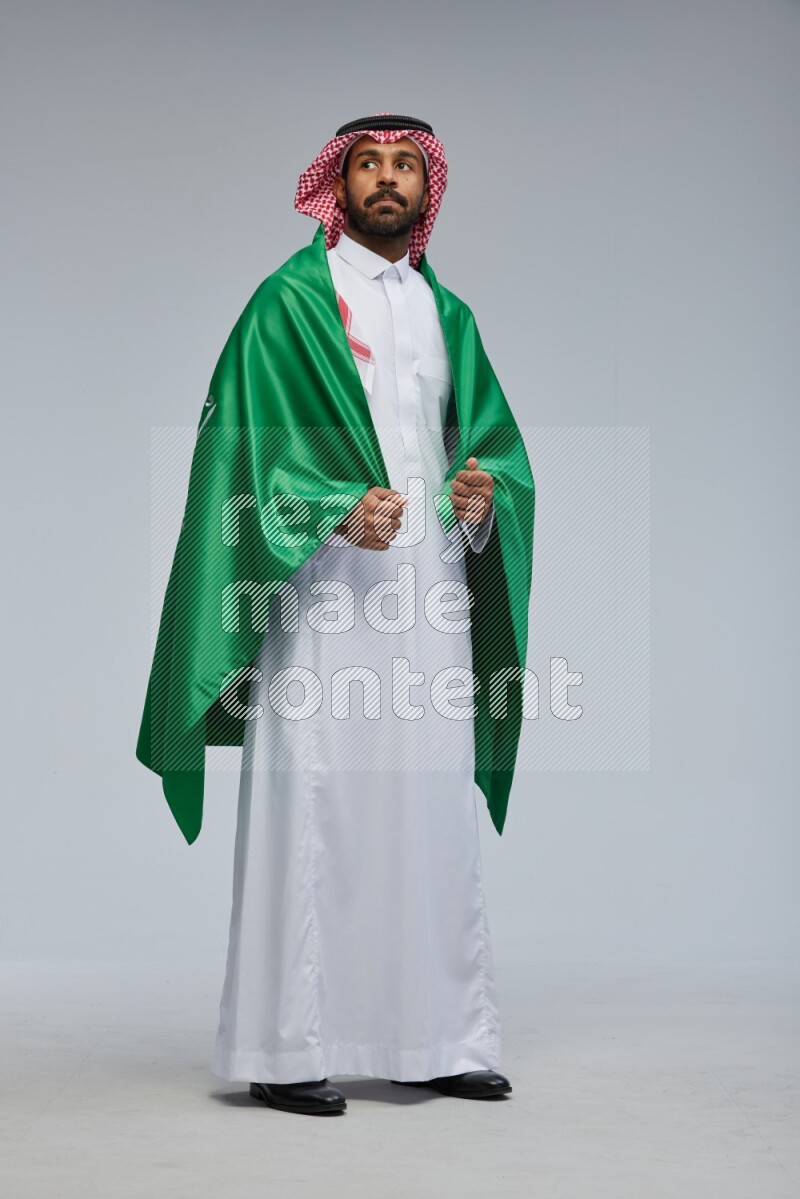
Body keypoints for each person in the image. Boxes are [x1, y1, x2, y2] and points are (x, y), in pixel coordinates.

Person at [136, 113, 535, 1117]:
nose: (388, 180)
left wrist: (484, 501)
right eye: (370, 164)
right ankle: (286, 1042)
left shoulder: (451, 315)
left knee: (429, 808)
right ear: (339, 185)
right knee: (315, 806)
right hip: (322, 598)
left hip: (428, 594)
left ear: (425, 189)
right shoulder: (288, 305)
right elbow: (240, 445)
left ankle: (438, 1037)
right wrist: (327, 507)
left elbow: (487, 448)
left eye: (405, 165)